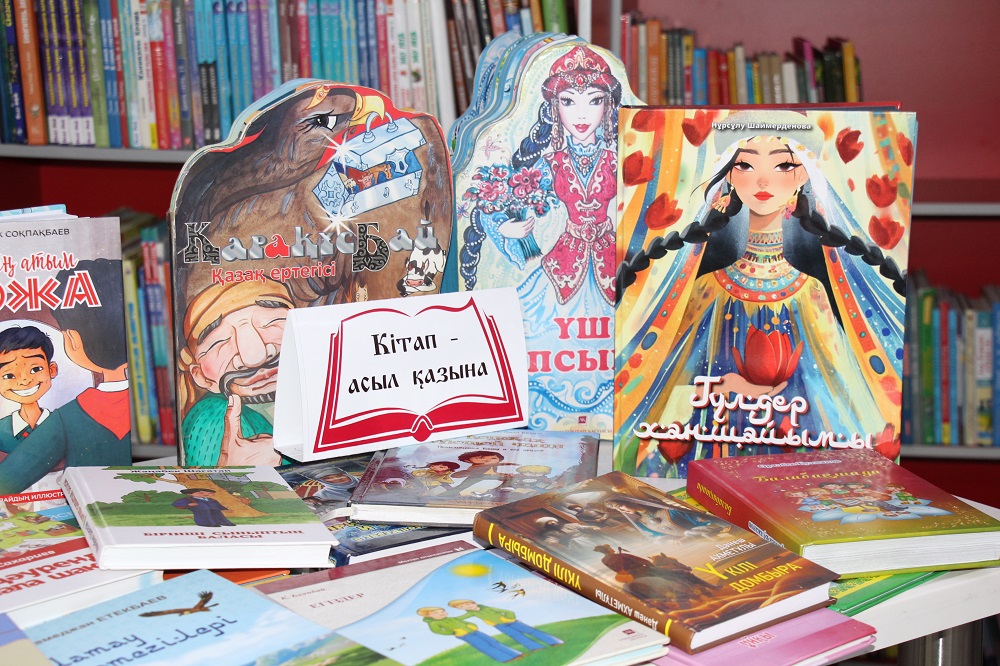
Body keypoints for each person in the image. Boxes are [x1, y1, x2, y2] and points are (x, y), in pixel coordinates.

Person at [617, 109, 908, 476]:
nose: (763, 179)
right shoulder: (707, 288)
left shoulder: (811, 292)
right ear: (729, 175)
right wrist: (720, 391)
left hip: (794, 468)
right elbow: (670, 397)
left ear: (802, 175)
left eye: (783, 165)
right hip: (711, 461)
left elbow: (838, 398)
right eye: (746, 165)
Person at [458, 45, 626, 430]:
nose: (581, 114)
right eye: (568, 101)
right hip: (562, 264)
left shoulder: (623, 156)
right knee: (536, 339)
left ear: (608, 105)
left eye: (594, 100)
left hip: (613, 263)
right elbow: (504, 200)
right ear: (553, 107)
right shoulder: (551, 161)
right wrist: (504, 227)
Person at [0, 259, 132, 493]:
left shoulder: (70, 416)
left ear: (73, 339)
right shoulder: (153, 402)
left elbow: (9, 478)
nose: (24, 380)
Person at [177, 279, 293, 466]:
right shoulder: (213, 418)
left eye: (271, 323)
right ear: (200, 376)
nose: (254, 358)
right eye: (220, 342)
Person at [0, 326, 59, 455]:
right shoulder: (1, 431)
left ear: (52, 370)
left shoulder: (63, 425)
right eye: (9, 375)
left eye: (35, 369)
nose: (25, 381)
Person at [448, 599, 562, 651]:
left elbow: (507, 611)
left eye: (468, 604)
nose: (467, 607)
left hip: (510, 621)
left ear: (474, 603)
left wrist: (510, 618)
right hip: (499, 625)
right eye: (462, 607)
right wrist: (446, 620)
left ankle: (553, 641)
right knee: (516, 636)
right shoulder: (471, 613)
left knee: (531, 631)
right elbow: (459, 618)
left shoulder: (487, 608)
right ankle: (535, 647)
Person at [416, 606, 521, 662]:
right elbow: (437, 631)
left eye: (442, 612)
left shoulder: (451, 618)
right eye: (436, 613)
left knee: (494, 642)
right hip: (465, 635)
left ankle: (516, 654)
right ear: (428, 616)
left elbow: (464, 622)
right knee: (485, 646)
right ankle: (506, 658)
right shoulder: (434, 623)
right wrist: (453, 632)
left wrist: (471, 625)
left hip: (474, 631)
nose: (441, 614)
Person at [171, 488, 235, 527]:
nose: (203, 494)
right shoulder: (190, 499)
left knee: (218, 515)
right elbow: (176, 503)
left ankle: (223, 522)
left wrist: (225, 509)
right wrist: (189, 504)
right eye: (200, 493)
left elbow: (218, 505)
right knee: (205, 515)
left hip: (215, 510)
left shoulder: (211, 500)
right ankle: (207, 523)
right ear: (191, 494)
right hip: (201, 510)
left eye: (202, 493)